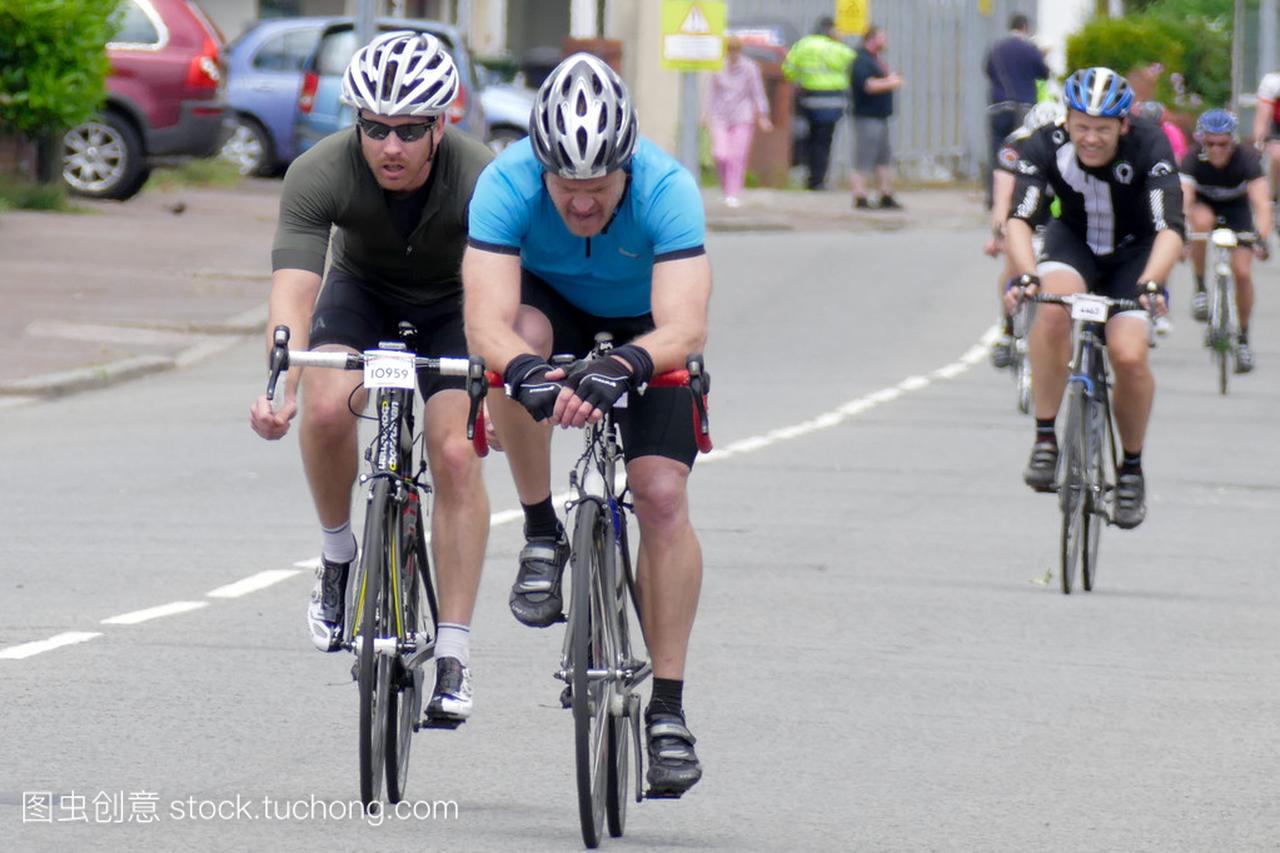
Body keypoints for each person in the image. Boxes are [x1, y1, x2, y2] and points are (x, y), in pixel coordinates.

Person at [462, 53, 711, 797]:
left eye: (596, 188)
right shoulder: (504, 182)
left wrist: (629, 363)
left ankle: (666, 709)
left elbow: (686, 326)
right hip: (550, 306)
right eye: (564, 186)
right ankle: (543, 531)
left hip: (645, 324)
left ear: (626, 166)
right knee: (517, 347)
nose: (579, 203)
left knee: (661, 495)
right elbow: (484, 319)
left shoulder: (668, 187)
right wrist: (529, 373)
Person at [248, 32, 493, 725]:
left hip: (457, 306)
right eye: (375, 127)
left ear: (441, 124)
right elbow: (295, 288)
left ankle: (453, 651)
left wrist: (500, 391)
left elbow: (505, 295)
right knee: (327, 410)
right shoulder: (319, 171)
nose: (391, 145)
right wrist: (281, 383)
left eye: (410, 130)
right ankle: (336, 557)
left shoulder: (483, 178)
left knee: (453, 452)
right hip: (363, 295)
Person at [1004, 67, 1184, 529]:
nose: (1090, 138)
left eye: (1102, 129)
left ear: (1124, 125)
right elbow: (1020, 219)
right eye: (1081, 126)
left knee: (1128, 356)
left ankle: (1131, 469)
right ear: (1067, 119)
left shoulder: (1150, 145)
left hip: (1135, 254)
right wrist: (1025, 275)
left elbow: (1170, 229)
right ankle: (1046, 437)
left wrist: (1152, 281)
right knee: (1050, 311)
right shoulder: (1044, 144)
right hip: (1076, 244)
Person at [1180, 108, 1271, 372]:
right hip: (1204, 206)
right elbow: (1184, 199)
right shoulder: (1192, 159)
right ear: (1201, 140)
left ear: (1232, 141)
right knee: (1200, 222)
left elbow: (1261, 204)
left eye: (1223, 144)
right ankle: (1200, 287)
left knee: (1242, 273)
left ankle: (1242, 339)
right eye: (1209, 143)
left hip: (1236, 211)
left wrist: (1262, 239)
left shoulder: (1247, 159)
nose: (1216, 150)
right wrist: (1181, 234)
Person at [987, 100, 1064, 368]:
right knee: (1014, 263)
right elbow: (1003, 195)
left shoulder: (1071, 146)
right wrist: (999, 230)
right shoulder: (1014, 145)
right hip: (1022, 206)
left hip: (1057, 208)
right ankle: (1007, 331)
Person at [983, 14, 1050, 209]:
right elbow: (1043, 73)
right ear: (1025, 27)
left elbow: (987, 71)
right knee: (1022, 152)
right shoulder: (1030, 49)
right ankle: (1018, 196)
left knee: (997, 154)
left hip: (998, 107)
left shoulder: (995, 48)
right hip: (1024, 107)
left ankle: (993, 197)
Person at [782, 16, 856, 190]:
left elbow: (788, 69)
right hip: (831, 101)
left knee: (809, 139)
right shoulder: (837, 47)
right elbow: (853, 61)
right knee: (824, 142)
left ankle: (809, 176)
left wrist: (800, 80)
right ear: (831, 30)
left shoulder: (803, 45)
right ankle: (818, 180)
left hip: (808, 98)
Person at [705, 35, 772, 207]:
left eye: (735, 50)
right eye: (730, 50)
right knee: (720, 154)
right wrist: (706, 113)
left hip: (742, 116)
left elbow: (757, 92)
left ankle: (733, 192)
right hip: (721, 115)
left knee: (737, 155)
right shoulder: (719, 67)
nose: (733, 53)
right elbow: (712, 93)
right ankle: (725, 187)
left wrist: (762, 115)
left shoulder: (750, 68)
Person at [849, 25, 904, 209]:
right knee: (864, 156)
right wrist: (891, 82)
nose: (886, 40)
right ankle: (860, 196)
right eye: (882, 37)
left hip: (881, 117)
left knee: (883, 157)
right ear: (871, 39)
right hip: (867, 117)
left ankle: (885, 194)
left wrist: (890, 79)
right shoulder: (861, 60)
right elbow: (868, 85)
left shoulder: (876, 60)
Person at [1251, 70, 1280, 204]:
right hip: (1277, 125)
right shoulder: (1273, 81)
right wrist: (1259, 145)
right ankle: (1273, 197)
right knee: (1277, 155)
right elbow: (1263, 119)